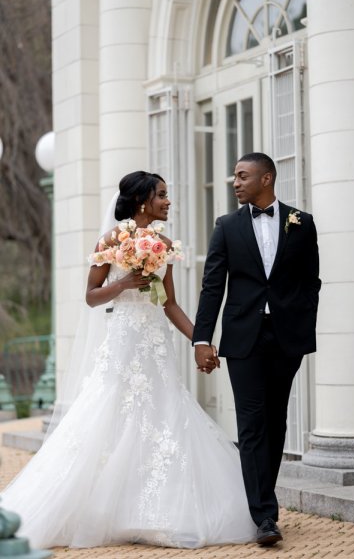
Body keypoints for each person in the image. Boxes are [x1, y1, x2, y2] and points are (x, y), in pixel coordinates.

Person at [1, 170, 257, 550]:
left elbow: (170, 304)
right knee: (108, 417)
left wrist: (201, 340)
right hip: (123, 344)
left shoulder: (165, 244)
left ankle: (154, 513)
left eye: (168, 195)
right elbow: (90, 296)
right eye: (162, 195)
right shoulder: (113, 240)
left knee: (164, 413)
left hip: (156, 344)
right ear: (143, 201)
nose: (169, 201)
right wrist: (121, 284)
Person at [193, 152, 321, 546]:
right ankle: (265, 515)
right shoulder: (226, 226)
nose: (235, 182)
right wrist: (202, 338)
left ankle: (262, 500)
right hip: (243, 337)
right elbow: (213, 285)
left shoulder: (301, 223)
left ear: (267, 179)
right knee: (251, 424)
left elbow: (311, 281)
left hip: (286, 337)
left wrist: (302, 323)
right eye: (234, 176)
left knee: (276, 420)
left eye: (243, 176)